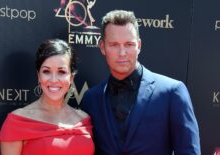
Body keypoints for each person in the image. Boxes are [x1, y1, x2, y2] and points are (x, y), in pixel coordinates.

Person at [80, 10, 200, 154]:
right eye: (114, 44)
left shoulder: (172, 92)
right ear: (102, 47)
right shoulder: (91, 99)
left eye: (129, 44)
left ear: (139, 46)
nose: (122, 52)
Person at [0, 39, 94, 155]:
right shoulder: (17, 121)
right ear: (38, 76)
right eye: (46, 71)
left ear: (71, 78)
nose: (53, 80)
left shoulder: (84, 120)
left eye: (62, 72)